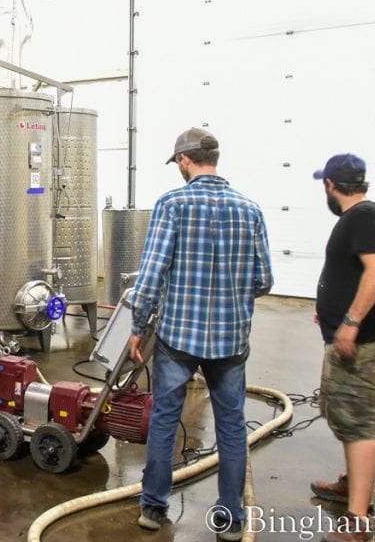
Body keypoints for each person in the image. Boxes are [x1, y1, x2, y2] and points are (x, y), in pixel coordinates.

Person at [128, 128, 273, 541]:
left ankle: (154, 508)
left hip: (178, 339)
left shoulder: (172, 204)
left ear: (185, 160)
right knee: (231, 425)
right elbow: (264, 278)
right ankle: (230, 518)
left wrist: (138, 328)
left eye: (177, 163)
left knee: (164, 420)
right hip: (231, 340)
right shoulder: (250, 209)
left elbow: (152, 275)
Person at [310, 154, 375, 542]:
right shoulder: (366, 216)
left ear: (331, 185)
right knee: (345, 416)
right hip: (351, 340)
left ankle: (356, 518)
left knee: (360, 422)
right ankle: (354, 486)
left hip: (362, 344)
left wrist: (349, 322)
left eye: (324, 185)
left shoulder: (363, 218)